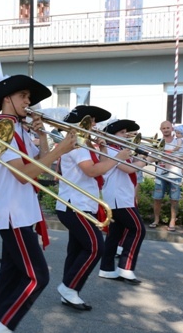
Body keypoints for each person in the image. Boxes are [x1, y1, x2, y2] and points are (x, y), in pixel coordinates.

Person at [0, 74, 75, 333]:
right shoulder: (3, 130)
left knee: (10, 278)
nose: (28, 101)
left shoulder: (19, 130)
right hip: (13, 212)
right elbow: (24, 175)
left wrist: (45, 137)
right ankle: (1, 328)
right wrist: (61, 149)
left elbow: (42, 166)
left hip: (23, 211)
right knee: (38, 276)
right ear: (7, 98)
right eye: (24, 96)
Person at [54, 105, 131, 311]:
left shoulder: (85, 144)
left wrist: (105, 149)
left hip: (82, 203)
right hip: (74, 204)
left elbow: (102, 171)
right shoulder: (77, 144)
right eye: (92, 121)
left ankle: (69, 291)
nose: (96, 125)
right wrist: (118, 158)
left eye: (95, 121)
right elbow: (91, 171)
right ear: (81, 123)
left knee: (77, 249)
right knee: (96, 247)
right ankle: (69, 287)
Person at [99, 119, 147, 285]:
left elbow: (130, 166)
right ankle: (126, 268)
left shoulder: (118, 150)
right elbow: (129, 169)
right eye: (122, 132)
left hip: (120, 197)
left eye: (126, 132)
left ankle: (106, 269)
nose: (126, 135)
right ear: (112, 136)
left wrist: (140, 157)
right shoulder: (111, 151)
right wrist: (147, 160)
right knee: (139, 229)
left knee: (115, 235)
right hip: (119, 198)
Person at [150, 121, 183, 232]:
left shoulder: (179, 141)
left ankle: (172, 221)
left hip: (175, 174)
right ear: (161, 129)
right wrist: (159, 156)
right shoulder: (158, 142)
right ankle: (156, 220)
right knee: (157, 198)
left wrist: (175, 158)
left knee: (174, 199)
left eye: (168, 128)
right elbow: (152, 157)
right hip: (161, 173)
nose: (166, 130)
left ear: (172, 129)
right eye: (163, 128)